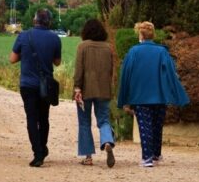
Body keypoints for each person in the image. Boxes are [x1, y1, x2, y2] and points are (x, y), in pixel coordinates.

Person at [117, 21, 189, 168]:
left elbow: (126, 74)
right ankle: (156, 155)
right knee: (157, 126)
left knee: (145, 127)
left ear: (141, 35)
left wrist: (124, 98)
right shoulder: (162, 51)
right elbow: (171, 72)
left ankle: (147, 158)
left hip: (140, 95)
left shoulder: (133, 51)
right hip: (159, 95)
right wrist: (174, 93)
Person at [9, 9, 61, 167]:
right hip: (46, 85)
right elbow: (57, 62)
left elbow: (12, 59)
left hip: (27, 84)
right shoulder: (55, 38)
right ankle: (43, 147)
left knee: (31, 118)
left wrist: (26, 55)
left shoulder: (24, 36)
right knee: (44, 118)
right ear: (49, 22)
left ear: (35, 20)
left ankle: (38, 153)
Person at [73, 19, 115, 167]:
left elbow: (79, 70)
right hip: (104, 89)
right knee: (104, 120)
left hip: (85, 90)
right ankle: (107, 141)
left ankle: (88, 157)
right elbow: (111, 70)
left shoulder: (82, 46)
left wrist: (77, 87)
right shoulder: (108, 48)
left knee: (84, 122)